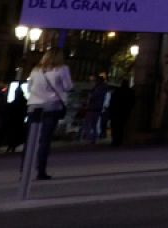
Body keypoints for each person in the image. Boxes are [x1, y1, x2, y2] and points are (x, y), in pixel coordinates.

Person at [24, 49, 73, 179]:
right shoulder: (62, 69)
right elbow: (68, 86)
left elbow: (29, 87)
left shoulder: (36, 70)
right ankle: (40, 170)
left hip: (33, 106)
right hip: (51, 106)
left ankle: (24, 170)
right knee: (44, 140)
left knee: (31, 139)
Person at [79, 73, 109, 143]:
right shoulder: (103, 88)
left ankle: (89, 137)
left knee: (89, 123)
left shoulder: (98, 88)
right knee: (94, 124)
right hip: (98, 108)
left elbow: (93, 96)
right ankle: (93, 137)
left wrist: (89, 98)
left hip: (93, 107)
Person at [106, 79, 135, 147]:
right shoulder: (130, 92)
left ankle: (115, 140)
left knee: (116, 126)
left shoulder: (118, 91)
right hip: (124, 112)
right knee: (121, 127)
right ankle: (119, 140)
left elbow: (112, 101)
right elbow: (132, 102)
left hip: (117, 111)